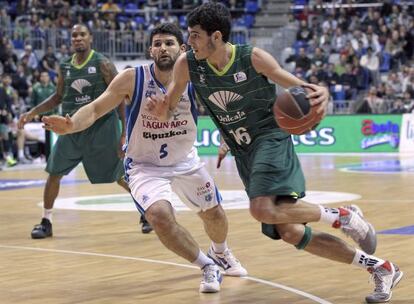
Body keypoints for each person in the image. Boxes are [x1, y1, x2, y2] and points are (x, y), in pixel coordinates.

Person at [145, 3, 404, 303]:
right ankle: (381, 268)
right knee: (291, 232)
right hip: (244, 152)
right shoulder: (187, 65)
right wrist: (159, 109)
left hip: (271, 138)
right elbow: (169, 105)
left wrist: (320, 92)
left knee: (260, 209)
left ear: (216, 37)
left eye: (195, 35)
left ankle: (342, 216)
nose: (189, 42)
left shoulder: (252, 57)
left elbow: (299, 87)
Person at [42, 23, 247, 293]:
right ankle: (206, 264)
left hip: (185, 160)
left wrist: (225, 138)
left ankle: (220, 252)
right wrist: (71, 125)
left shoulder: (197, 77)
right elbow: (94, 108)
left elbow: (220, 109)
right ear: (150, 50)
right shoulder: (132, 78)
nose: (163, 48)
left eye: (169, 43)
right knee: (160, 217)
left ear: (182, 48)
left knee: (215, 215)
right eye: (158, 43)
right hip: (144, 166)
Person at [18, 24, 152, 238]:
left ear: (90, 38)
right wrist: (31, 112)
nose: (78, 38)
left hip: (102, 128)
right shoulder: (64, 67)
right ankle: (46, 221)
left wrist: (124, 133)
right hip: (70, 127)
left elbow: (120, 97)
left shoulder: (103, 63)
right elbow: (57, 97)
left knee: (120, 176)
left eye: (82, 34)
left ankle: (147, 212)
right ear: (71, 40)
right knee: (54, 173)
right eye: (74, 35)